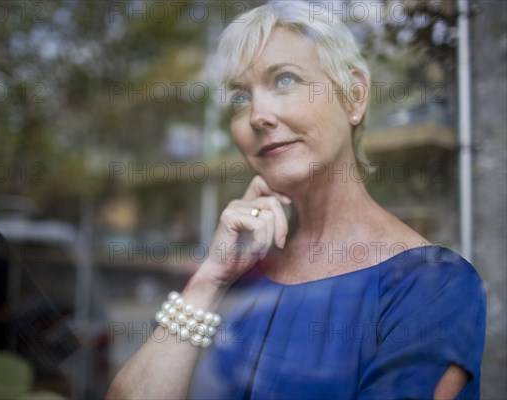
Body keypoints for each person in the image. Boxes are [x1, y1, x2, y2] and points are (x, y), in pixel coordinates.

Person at [106, 2, 486, 399]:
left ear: (354, 96)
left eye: (285, 79)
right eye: (239, 97)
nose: (257, 116)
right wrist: (208, 279)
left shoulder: (431, 284)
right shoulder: (243, 271)